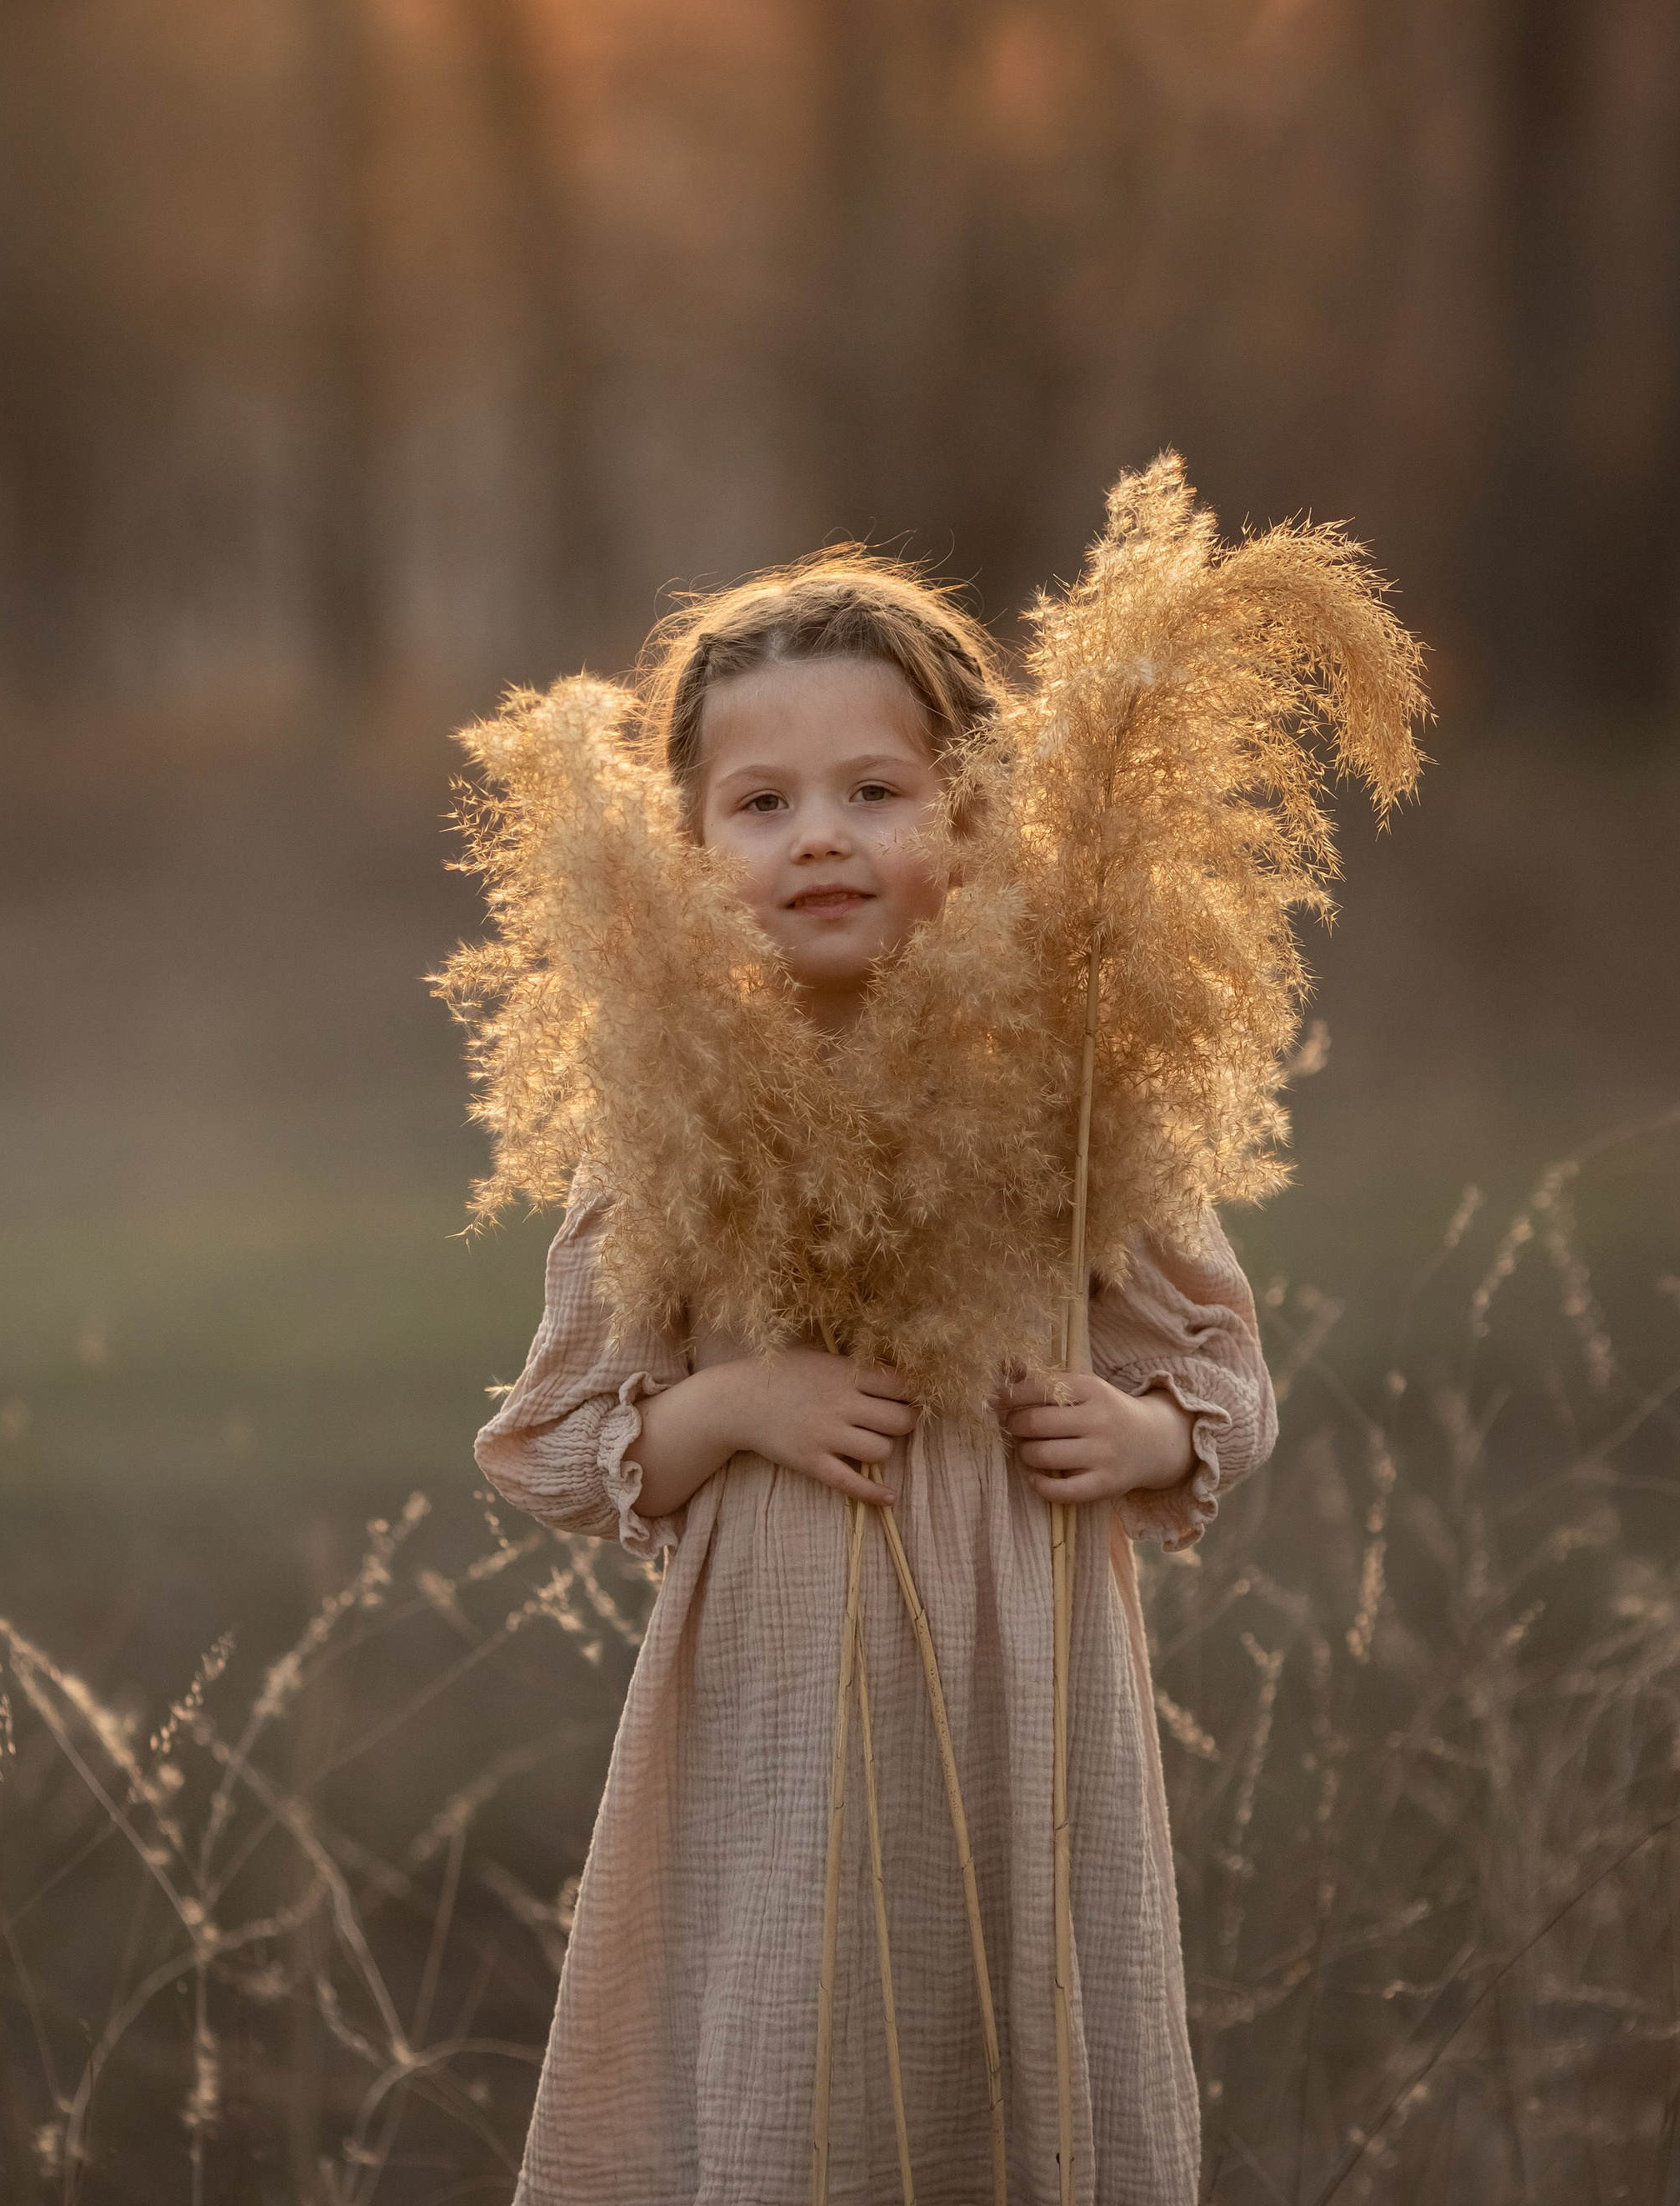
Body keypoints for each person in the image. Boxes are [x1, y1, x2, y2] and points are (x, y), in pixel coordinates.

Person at [472, 556, 1278, 2206]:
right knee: (796, 2060)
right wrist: (734, 1404)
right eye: (757, 802)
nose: (818, 835)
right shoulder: (671, 1112)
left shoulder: (1062, 1088)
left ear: (967, 820)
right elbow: (547, 1440)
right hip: (777, 1718)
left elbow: (1224, 1370)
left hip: (1023, 1684)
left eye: (872, 790)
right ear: (680, 854)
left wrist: (1132, 1430)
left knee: (1018, 2060)